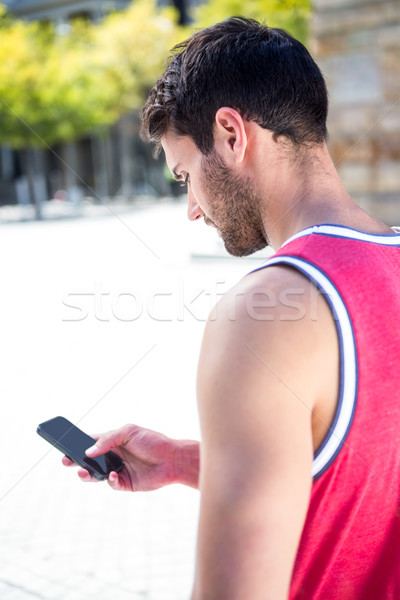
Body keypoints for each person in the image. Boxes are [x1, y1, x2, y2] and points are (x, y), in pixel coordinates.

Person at [63, 17, 400, 599]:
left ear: (230, 134)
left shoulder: (265, 310)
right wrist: (188, 461)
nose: (193, 209)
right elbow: (367, 468)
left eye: (185, 175)